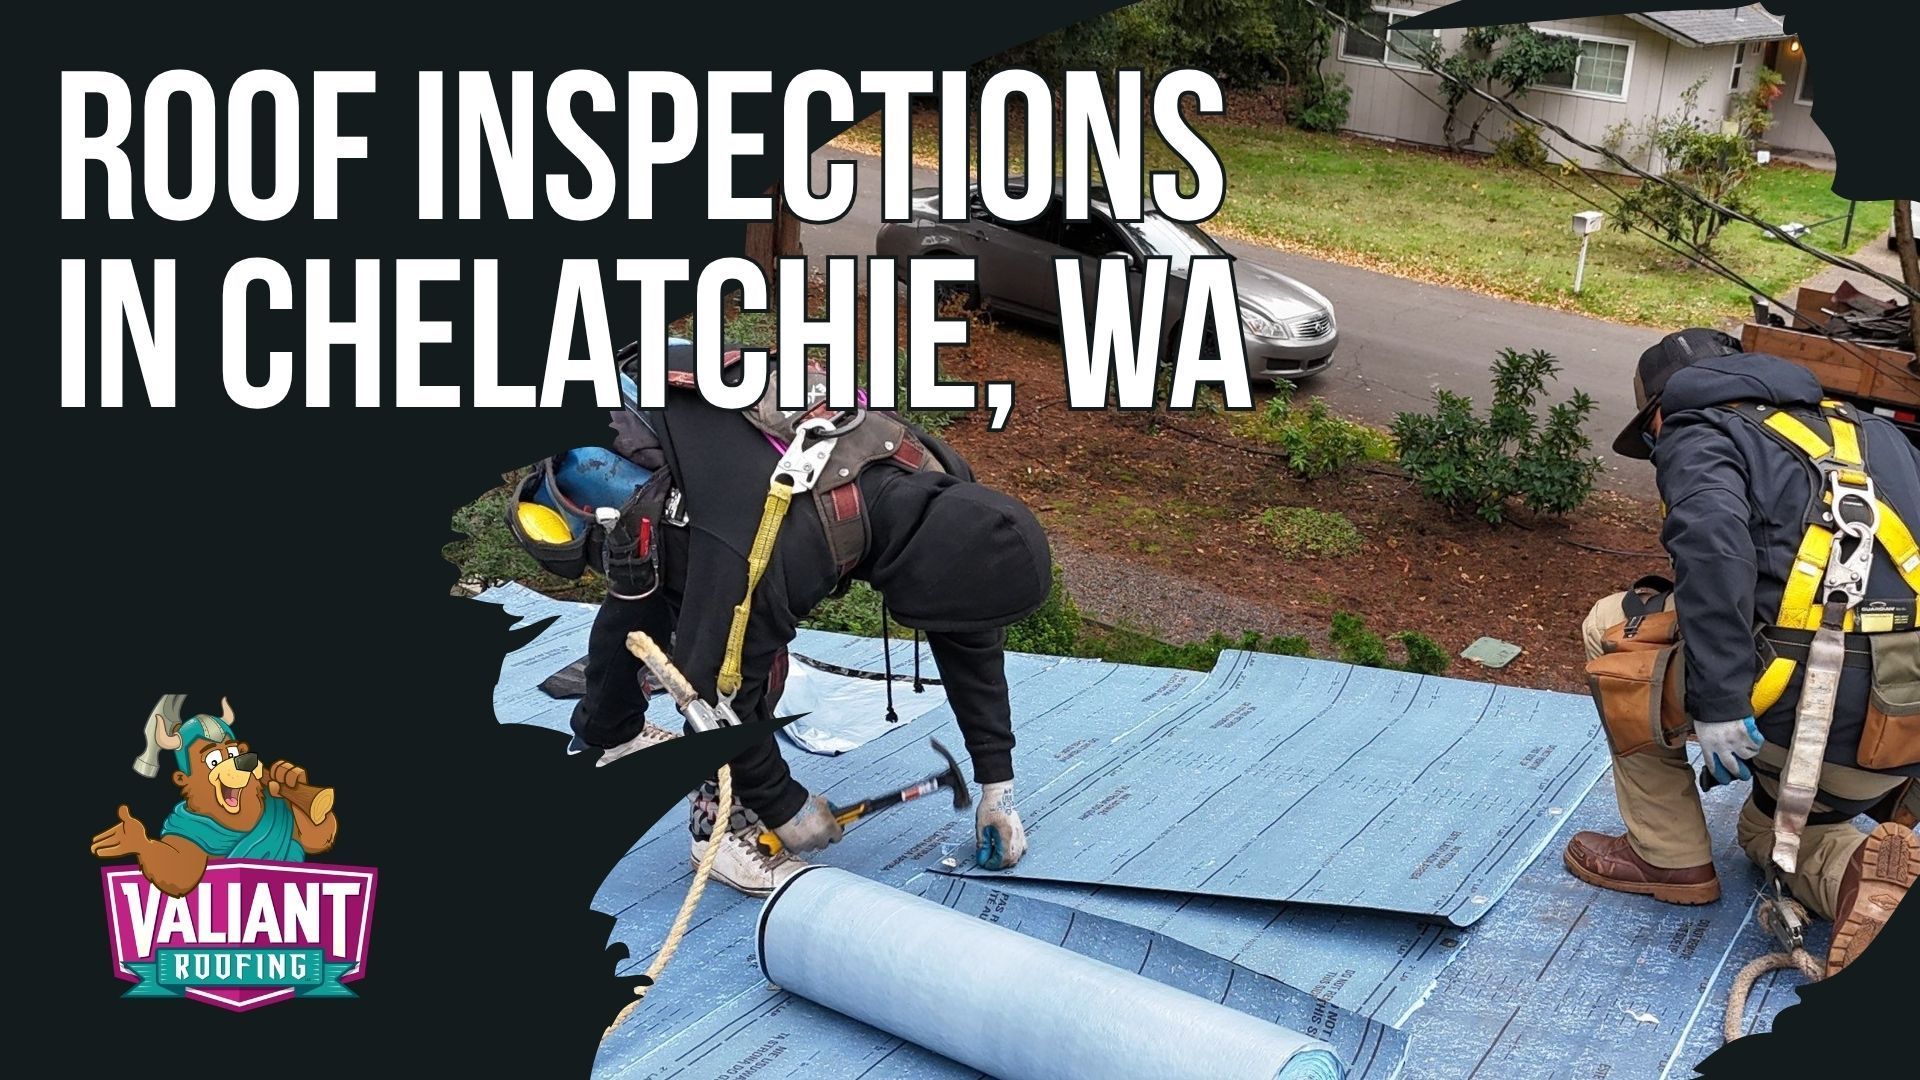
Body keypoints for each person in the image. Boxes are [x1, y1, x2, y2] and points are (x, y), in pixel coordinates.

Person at [566, 342, 1053, 896]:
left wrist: (997, 783)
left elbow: (971, 631)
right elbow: (715, 694)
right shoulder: (780, 544)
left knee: (662, 592)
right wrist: (784, 802)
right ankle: (721, 829)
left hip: (705, 445)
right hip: (625, 437)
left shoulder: (943, 482)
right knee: (726, 639)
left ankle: (608, 733)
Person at [1564, 329, 1919, 974]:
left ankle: (1668, 855)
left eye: (1649, 443)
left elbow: (1713, 547)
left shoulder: (1697, 431)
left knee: (1612, 625)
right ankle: (1867, 888)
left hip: (1813, 720)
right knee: (1762, 832)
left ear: (1658, 416)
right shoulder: (1874, 433)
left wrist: (1721, 700)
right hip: (1901, 737)